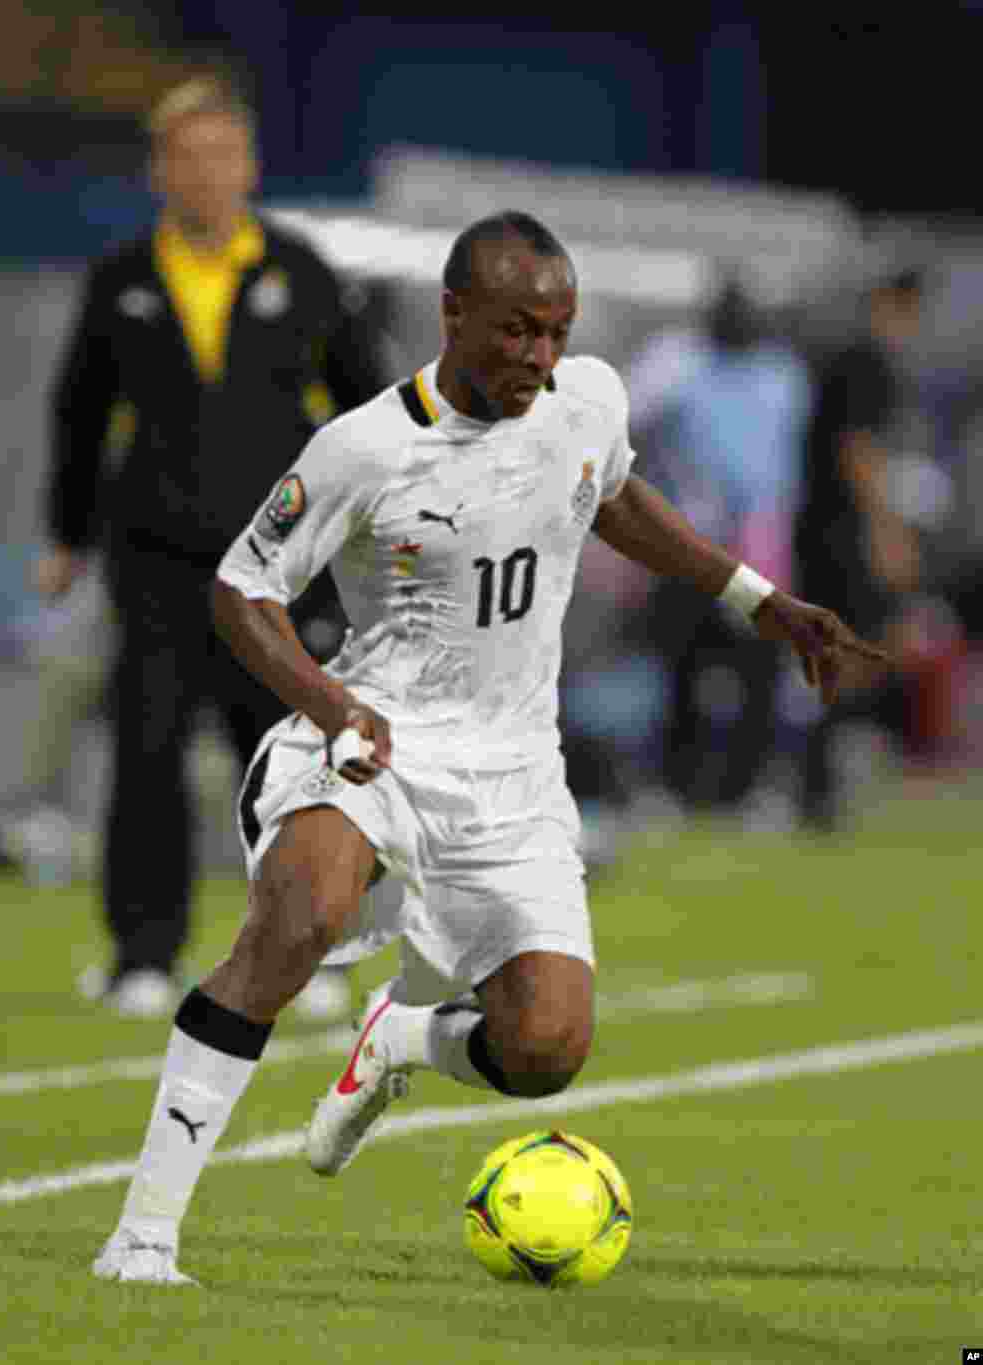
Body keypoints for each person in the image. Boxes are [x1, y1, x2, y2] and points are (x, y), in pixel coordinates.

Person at [92, 211, 886, 1284]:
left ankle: (402, 1042)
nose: (538, 358)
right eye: (516, 332)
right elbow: (242, 589)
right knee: (297, 921)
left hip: (513, 776)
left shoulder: (587, 399)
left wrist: (758, 600)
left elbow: (611, 496)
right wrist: (329, 707)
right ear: (452, 313)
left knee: (545, 1050)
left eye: (555, 333)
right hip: (372, 743)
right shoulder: (365, 446)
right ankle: (143, 1234)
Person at [37, 78, 387, 1017]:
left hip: (279, 566)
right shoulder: (121, 280)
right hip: (153, 559)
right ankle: (143, 955)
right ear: (158, 171)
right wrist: (66, 536)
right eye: (186, 158)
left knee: (294, 759)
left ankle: (316, 953)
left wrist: (375, 529)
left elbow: (367, 411)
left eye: (223, 156)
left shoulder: (304, 272)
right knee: (147, 750)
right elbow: (78, 415)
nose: (206, 175)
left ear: (252, 166)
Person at [627, 274, 811, 823]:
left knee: (756, 667)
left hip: (760, 540)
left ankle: (748, 785)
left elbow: (786, 461)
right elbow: (626, 423)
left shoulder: (783, 375)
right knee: (682, 662)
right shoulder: (676, 362)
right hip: (691, 537)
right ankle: (677, 784)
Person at [793, 265, 926, 829]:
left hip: (826, 528)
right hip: (841, 534)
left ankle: (823, 780)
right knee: (856, 652)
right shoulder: (867, 361)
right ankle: (819, 783)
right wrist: (886, 533)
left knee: (851, 652)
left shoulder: (847, 359)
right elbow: (857, 451)